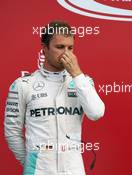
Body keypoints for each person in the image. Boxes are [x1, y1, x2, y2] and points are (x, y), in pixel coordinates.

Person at [4, 21, 105, 175]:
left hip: (74, 169)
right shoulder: (23, 84)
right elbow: (12, 131)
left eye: (70, 48)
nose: (66, 53)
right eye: (60, 47)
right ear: (44, 49)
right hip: (38, 169)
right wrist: (31, 162)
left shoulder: (82, 82)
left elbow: (96, 113)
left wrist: (77, 74)